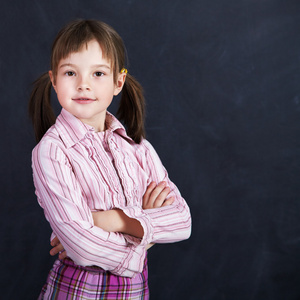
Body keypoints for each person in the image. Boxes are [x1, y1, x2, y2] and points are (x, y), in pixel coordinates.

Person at [29, 19, 191, 300]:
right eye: (70, 72)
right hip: (78, 291)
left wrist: (110, 220)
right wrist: (145, 233)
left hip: (134, 292)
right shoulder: (53, 151)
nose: (83, 85)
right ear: (54, 80)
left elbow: (181, 221)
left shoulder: (138, 148)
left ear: (119, 82)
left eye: (98, 74)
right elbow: (81, 245)